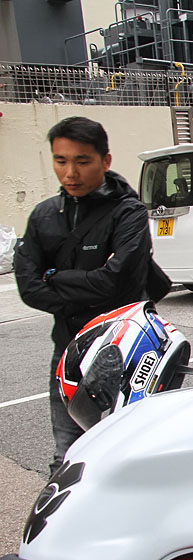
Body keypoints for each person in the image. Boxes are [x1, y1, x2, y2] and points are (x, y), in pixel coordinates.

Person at [15, 116, 151, 476]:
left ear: (105, 161)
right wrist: (89, 287)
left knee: (129, 452)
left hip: (126, 352)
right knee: (68, 454)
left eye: (82, 160)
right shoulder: (44, 216)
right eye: (61, 161)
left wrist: (55, 277)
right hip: (68, 352)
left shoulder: (129, 213)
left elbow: (118, 283)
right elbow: (29, 287)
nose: (70, 172)